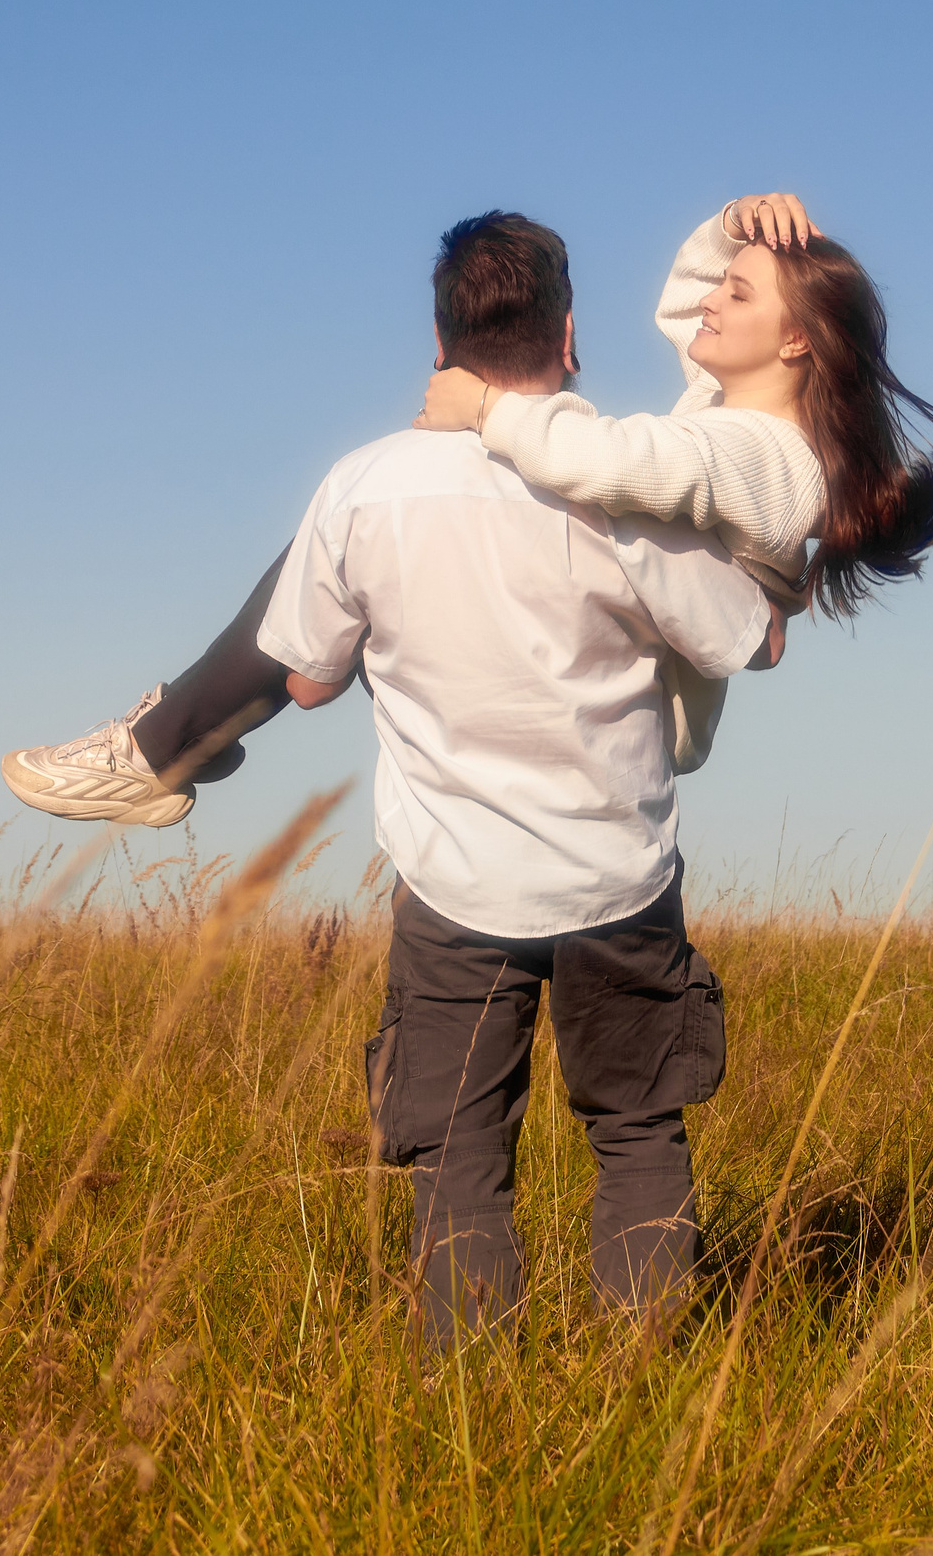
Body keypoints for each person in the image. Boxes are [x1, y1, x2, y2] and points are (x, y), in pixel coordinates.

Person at [0, 193, 933, 822]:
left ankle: (161, 747)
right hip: (597, 717)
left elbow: (614, 457)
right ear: (568, 332)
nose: (709, 303)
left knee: (366, 521)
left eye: (737, 296)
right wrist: (731, 227)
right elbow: (675, 323)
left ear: (795, 345)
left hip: (631, 718)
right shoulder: (728, 422)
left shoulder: (757, 455)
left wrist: (482, 409)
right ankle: (167, 744)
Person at [258, 210, 772, 1340]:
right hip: (619, 875)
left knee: (454, 1156)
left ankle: (469, 1411)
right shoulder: (632, 484)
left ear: (440, 345)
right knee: (638, 1135)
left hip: (452, 886)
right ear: (571, 334)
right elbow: (743, 637)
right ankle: (645, 1387)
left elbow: (301, 680)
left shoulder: (365, 485)